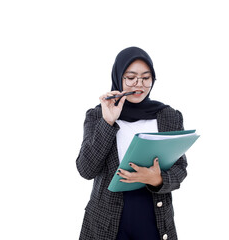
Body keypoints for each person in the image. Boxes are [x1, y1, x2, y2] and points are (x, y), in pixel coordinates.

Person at [76, 47, 188, 240]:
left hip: (154, 218)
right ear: (119, 77)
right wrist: (108, 121)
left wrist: (157, 179)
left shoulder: (169, 116)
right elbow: (86, 170)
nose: (139, 84)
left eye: (146, 78)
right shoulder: (98, 114)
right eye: (131, 77)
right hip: (106, 222)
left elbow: (180, 169)